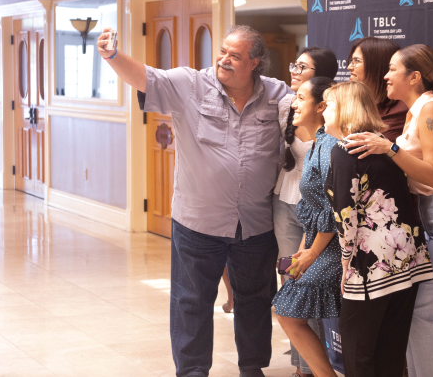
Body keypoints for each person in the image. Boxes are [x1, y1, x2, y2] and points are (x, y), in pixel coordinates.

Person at [97, 25, 293, 377]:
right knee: (191, 301)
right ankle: (191, 371)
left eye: (235, 55)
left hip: (256, 222)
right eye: (223, 51)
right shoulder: (190, 84)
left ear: (255, 62)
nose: (224, 60)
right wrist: (112, 56)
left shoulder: (278, 94)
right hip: (198, 222)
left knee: (255, 299)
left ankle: (252, 366)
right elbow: (146, 78)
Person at [343, 44, 433, 377]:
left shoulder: (432, 110)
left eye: (392, 69)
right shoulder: (416, 111)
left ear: (414, 76)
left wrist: (389, 147)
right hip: (429, 220)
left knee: (424, 312)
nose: (385, 75)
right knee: (415, 314)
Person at [322, 80, 433, 377]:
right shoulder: (380, 143)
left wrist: (346, 261)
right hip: (406, 262)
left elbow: (347, 214)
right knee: (390, 353)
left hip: (372, 266)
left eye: (329, 105)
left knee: (359, 353)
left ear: (345, 111)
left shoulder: (347, 150)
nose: (323, 111)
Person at [273, 47, 337, 377]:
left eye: (303, 66)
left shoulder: (330, 142)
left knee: (294, 299)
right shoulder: (295, 114)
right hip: (293, 212)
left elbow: (332, 208)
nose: (294, 102)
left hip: (330, 237)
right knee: (290, 292)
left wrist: (311, 252)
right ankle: (304, 369)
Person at [347, 37, 407, 142]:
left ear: (378, 64)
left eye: (356, 61)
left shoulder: (402, 109)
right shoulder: (353, 103)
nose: (349, 67)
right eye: (351, 61)